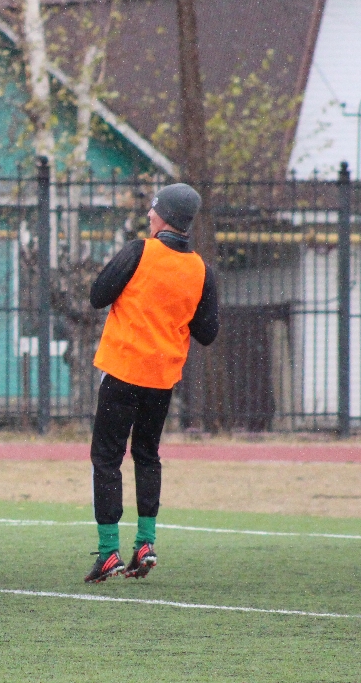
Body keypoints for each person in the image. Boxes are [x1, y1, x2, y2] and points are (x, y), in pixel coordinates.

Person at [83, 183, 219, 583]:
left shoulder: (138, 251)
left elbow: (97, 295)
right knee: (147, 455)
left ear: (166, 217)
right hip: (162, 379)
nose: (148, 215)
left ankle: (108, 551)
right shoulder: (201, 270)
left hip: (124, 370)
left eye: (153, 210)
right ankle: (145, 543)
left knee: (107, 458)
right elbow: (207, 332)